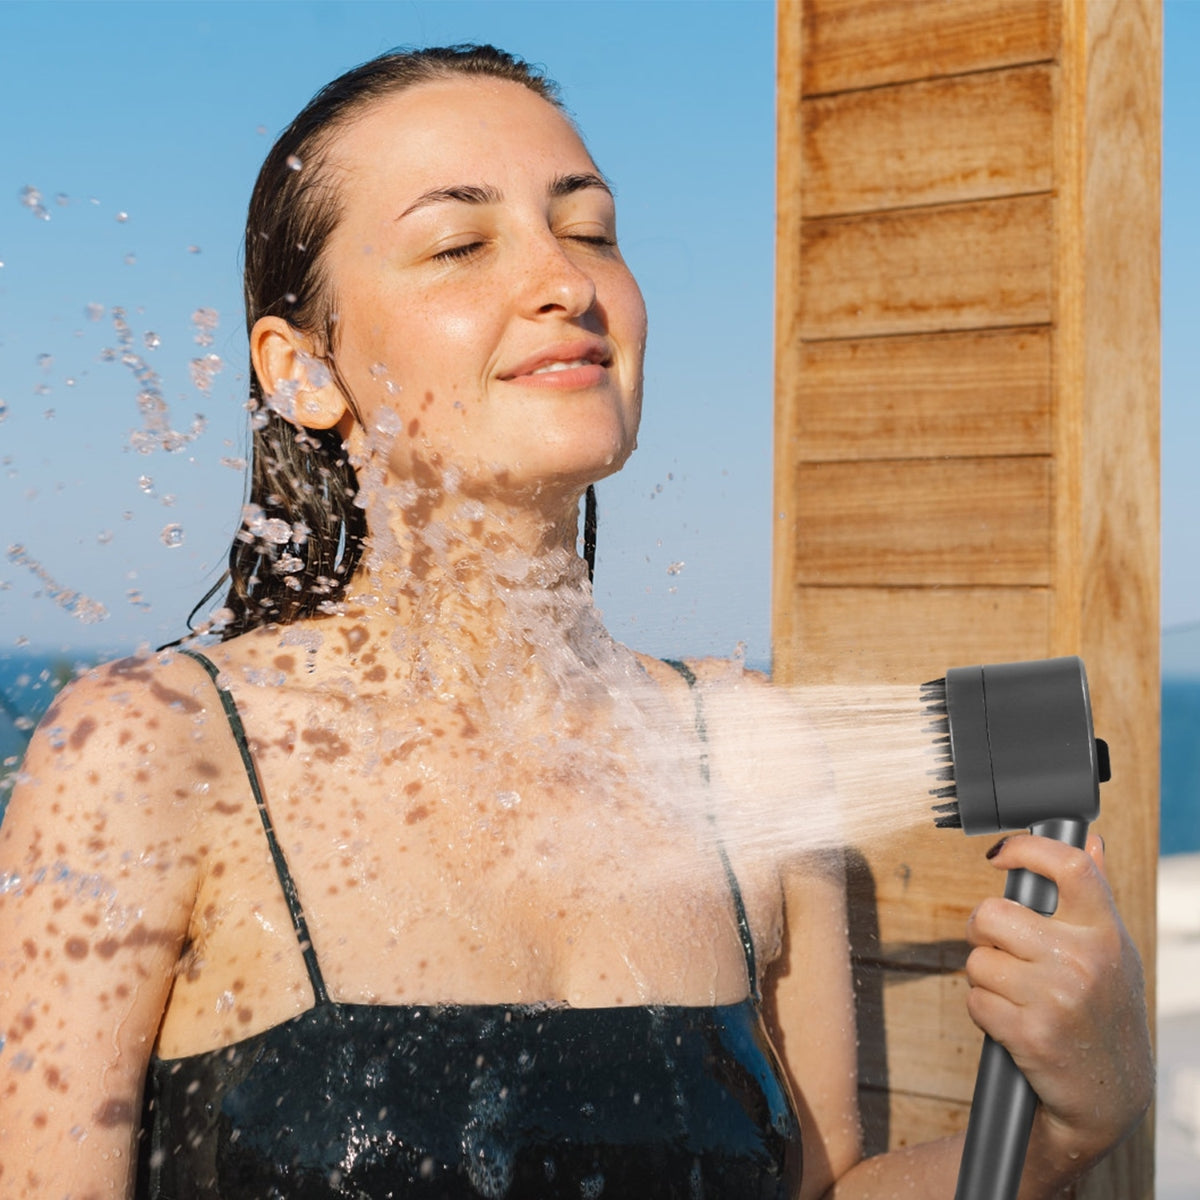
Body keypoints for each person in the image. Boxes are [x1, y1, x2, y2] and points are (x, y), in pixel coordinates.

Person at [0, 45, 1152, 1200]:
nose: (564, 280)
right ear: (303, 372)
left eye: (592, 229)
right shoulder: (154, 753)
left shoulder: (739, 753)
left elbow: (825, 1190)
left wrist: (1067, 1123)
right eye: (460, 244)